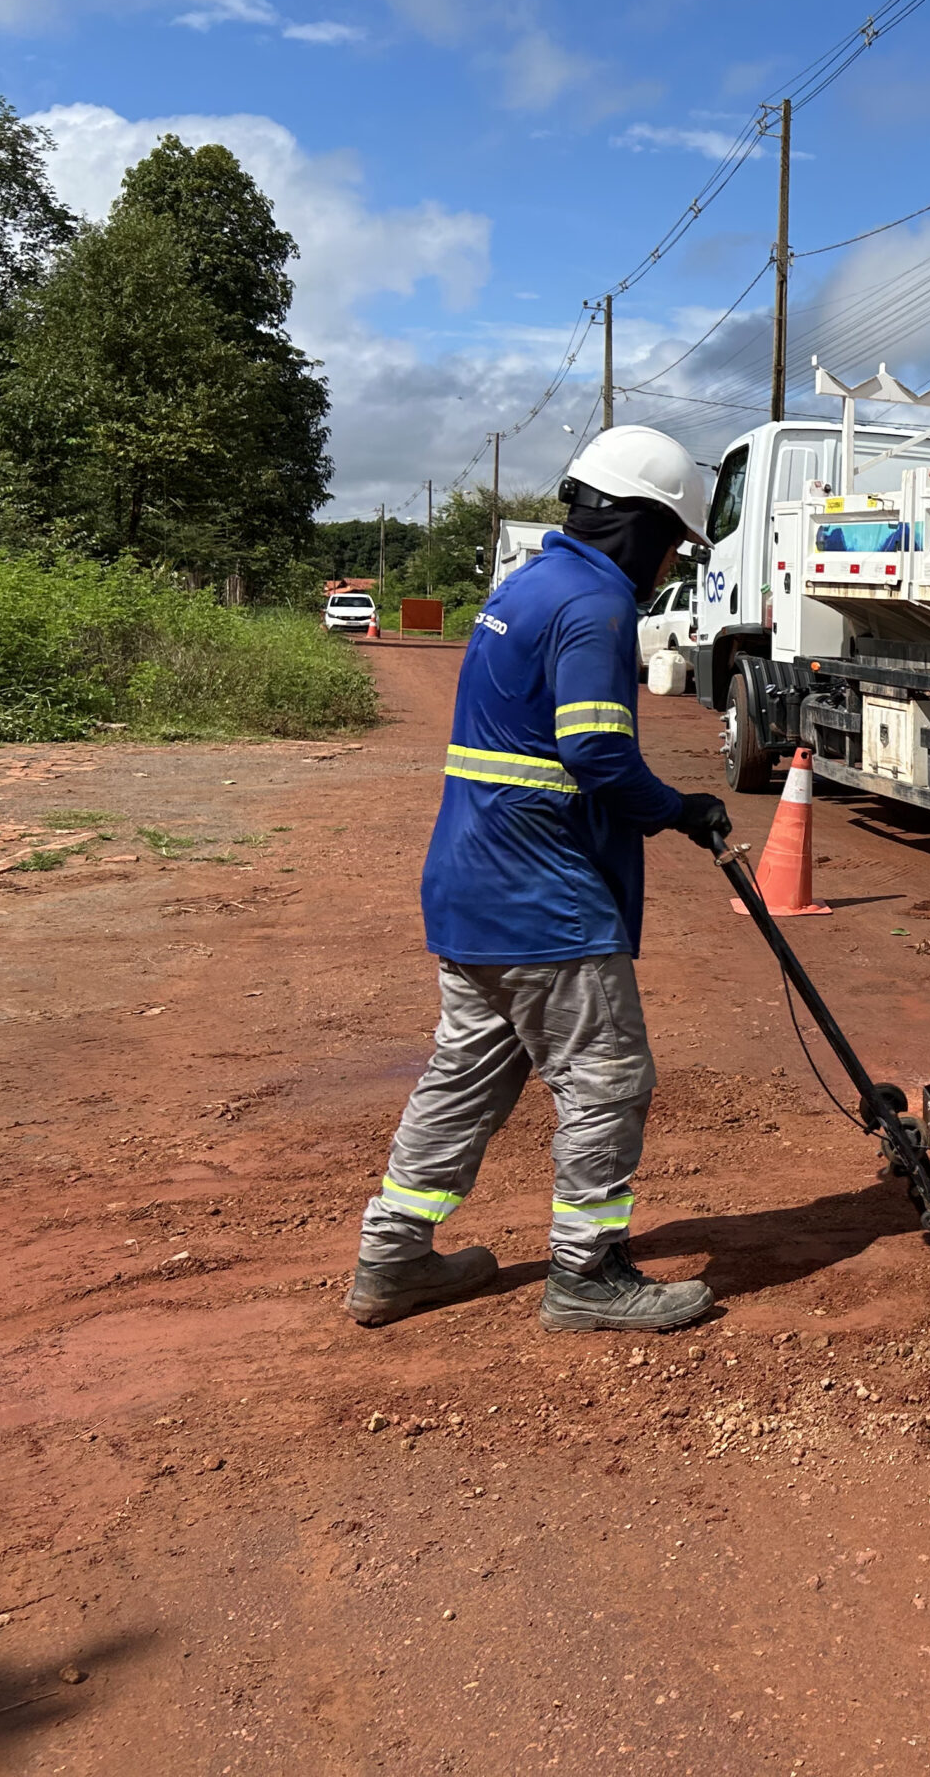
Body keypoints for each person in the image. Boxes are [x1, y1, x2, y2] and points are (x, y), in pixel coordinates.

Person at [345, 426, 732, 1330]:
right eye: (672, 543)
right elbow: (596, 750)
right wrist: (679, 808)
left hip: (473, 884)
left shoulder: (523, 587)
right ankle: (587, 1275)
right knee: (608, 1079)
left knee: (464, 1078)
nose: (668, 565)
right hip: (543, 896)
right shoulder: (595, 604)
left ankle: (392, 1261)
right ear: (640, 525)